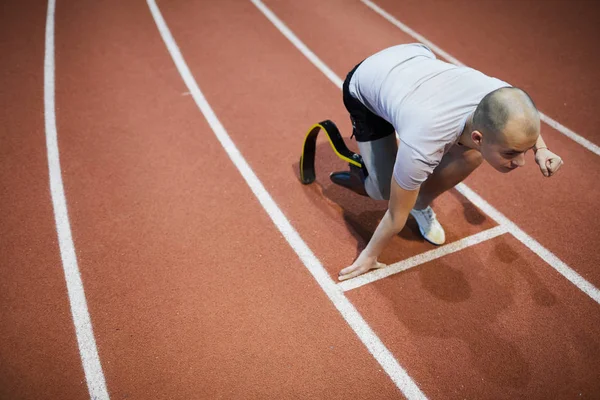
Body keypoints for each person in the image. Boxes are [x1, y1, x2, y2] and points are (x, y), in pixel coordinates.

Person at [332, 43, 564, 281]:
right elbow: (394, 215)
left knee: (473, 155)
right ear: (478, 136)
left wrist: (542, 149)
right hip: (367, 81)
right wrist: (369, 255)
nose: (521, 162)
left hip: (415, 62)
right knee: (383, 190)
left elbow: (523, 122)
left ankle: (419, 204)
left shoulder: (501, 96)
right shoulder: (424, 142)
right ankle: (363, 169)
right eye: (511, 153)